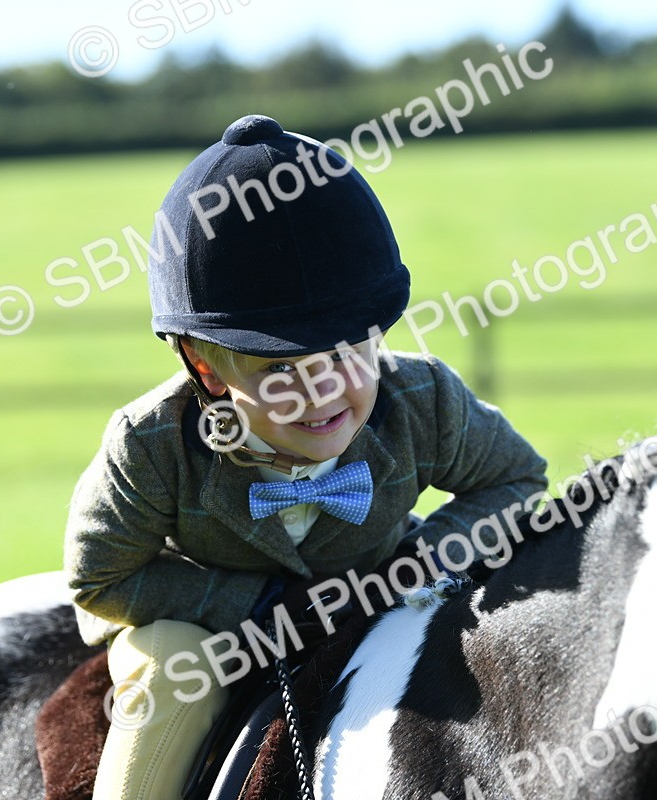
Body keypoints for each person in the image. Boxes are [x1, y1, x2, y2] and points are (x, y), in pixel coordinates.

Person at [64, 114, 548, 800]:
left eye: (348, 355)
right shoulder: (149, 444)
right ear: (205, 367)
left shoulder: (424, 398)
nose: (322, 391)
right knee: (172, 667)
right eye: (277, 372)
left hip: (379, 590)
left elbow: (518, 478)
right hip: (207, 633)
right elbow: (99, 580)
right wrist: (262, 604)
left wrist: (417, 562)